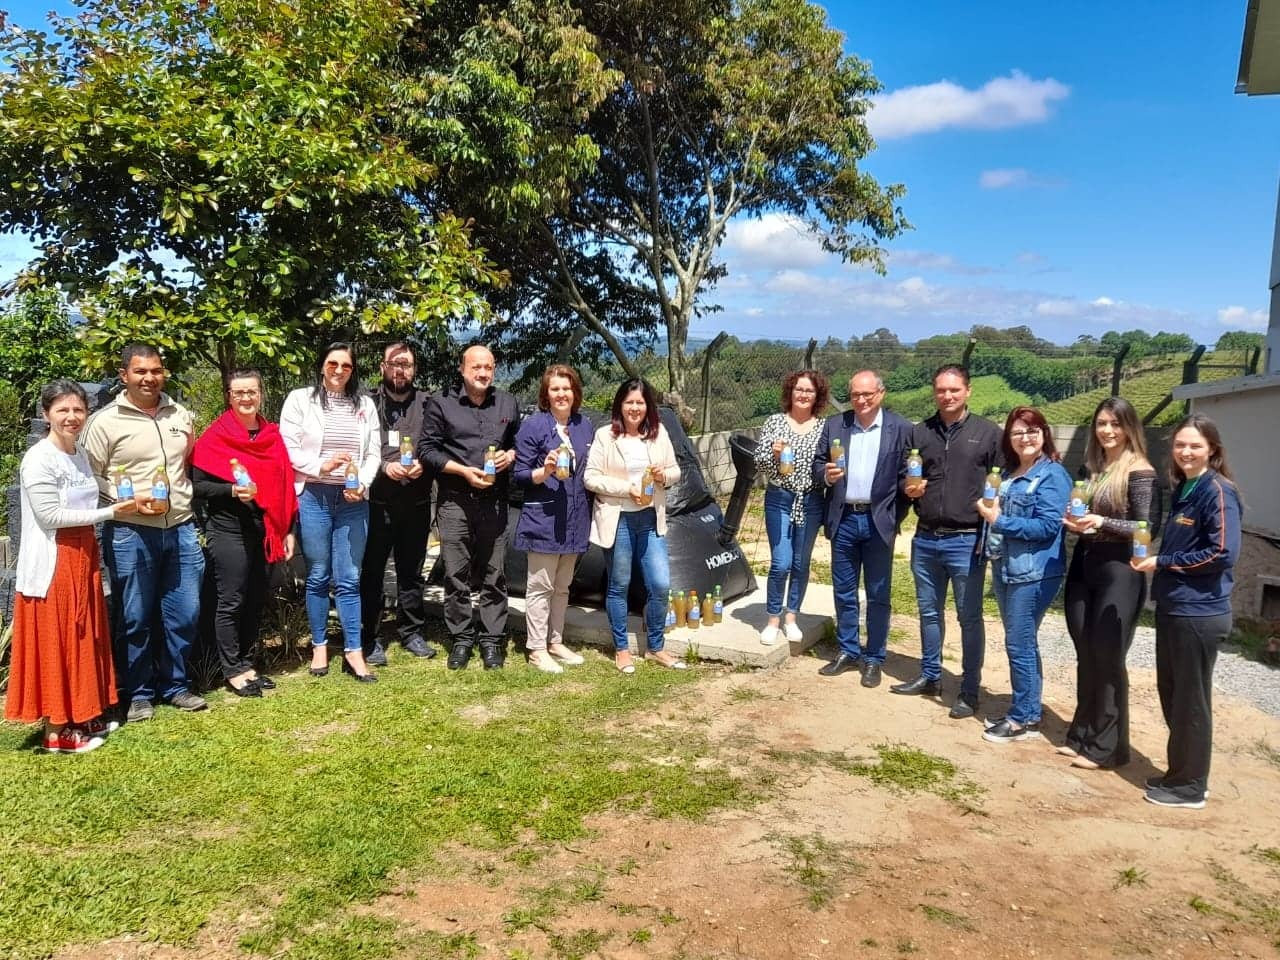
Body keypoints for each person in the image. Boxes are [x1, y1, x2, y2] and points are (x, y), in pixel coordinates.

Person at [5, 381, 138, 752]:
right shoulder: (39, 458)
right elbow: (50, 517)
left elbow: (92, 491)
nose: (71, 417)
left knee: (85, 635)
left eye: (78, 410)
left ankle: (82, 713)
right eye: (62, 410)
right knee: (60, 639)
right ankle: (57, 730)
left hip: (82, 555)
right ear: (47, 414)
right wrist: (111, 512)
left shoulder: (77, 454)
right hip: (55, 558)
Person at [83, 343, 208, 722]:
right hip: (130, 531)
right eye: (140, 371)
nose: (149, 378)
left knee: (185, 612)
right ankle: (139, 692)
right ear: (125, 376)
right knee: (135, 616)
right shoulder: (105, 422)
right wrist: (127, 500)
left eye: (155, 370)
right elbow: (89, 477)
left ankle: (176, 685)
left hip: (181, 527)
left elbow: (188, 462)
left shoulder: (179, 414)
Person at [1131, 414, 1242, 809]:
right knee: (1174, 695)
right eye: (1180, 445)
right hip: (1176, 607)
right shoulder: (1187, 488)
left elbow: (1222, 552)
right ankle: (1180, 773)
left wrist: (1163, 562)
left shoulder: (1217, 491)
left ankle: (1191, 786)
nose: (1186, 452)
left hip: (1200, 612)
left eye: (1195, 445)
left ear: (1212, 449)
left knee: (1191, 700)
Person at [891, 365, 1002, 718]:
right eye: (941, 390)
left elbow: (1003, 484)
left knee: (969, 618)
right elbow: (904, 481)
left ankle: (969, 689)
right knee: (928, 612)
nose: (947, 396)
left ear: (967, 391)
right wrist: (907, 489)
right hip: (925, 539)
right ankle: (930, 675)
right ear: (934, 392)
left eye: (954, 390)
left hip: (966, 541)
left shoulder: (988, 434)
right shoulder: (919, 432)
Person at [1059, 397, 1161, 769]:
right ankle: (1081, 734)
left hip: (1120, 570)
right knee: (1085, 650)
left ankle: (1109, 747)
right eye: (1101, 423)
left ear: (1129, 428)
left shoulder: (1141, 471)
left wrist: (1102, 524)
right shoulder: (1095, 467)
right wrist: (1075, 521)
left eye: (1115, 424)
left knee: (1107, 655)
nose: (1107, 430)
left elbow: (1147, 527)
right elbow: (1084, 512)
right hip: (1085, 564)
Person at [191, 369, 298, 697]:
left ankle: (248, 663)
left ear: (260, 393)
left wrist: (287, 529)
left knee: (255, 598)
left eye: (251, 391)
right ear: (229, 396)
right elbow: (197, 486)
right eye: (239, 393)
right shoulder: (215, 437)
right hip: (229, 529)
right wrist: (231, 492)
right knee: (232, 599)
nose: (246, 398)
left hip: (265, 530)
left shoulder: (271, 435)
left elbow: (283, 486)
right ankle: (232, 669)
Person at [280, 342, 381, 682]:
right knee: (319, 575)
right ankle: (320, 644)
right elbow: (288, 447)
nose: (339, 370)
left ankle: (354, 650)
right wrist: (320, 466)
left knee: (350, 578)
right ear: (322, 365)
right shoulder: (300, 399)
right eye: (333, 364)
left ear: (353, 370)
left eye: (346, 366)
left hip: (353, 501)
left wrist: (362, 483)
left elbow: (374, 454)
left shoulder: (365, 404)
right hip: (314, 497)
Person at [421, 344, 521, 670]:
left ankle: (491, 640)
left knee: (495, 574)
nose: (482, 373)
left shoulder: (507, 402)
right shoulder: (441, 402)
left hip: (494, 501)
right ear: (462, 369)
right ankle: (462, 638)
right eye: (476, 367)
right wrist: (462, 471)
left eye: (488, 368)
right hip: (455, 501)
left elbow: (519, 443)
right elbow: (427, 450)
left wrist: (512, 455)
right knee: (456, 574)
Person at [975, 407, 1071, 743]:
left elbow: (1047, 527)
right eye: (1017, 432)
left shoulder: (1052, 475)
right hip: (1007, 567)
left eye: (1032, 431)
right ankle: (1028, 708)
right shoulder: (1014, 473)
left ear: (1044, 434)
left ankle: (1023, 719)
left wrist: (998, 521)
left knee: (1019, 644)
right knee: (1023, 643)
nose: (1025, 438)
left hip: (1033, 572)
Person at [812, 371, 912, 687]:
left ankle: (874, 658)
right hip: (843, 519)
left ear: (881, 394)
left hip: (878, 521)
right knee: (843, 590)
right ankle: (848, 649)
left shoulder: (902, 429)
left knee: (879, 594)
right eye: (856, 394)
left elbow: (907, 478)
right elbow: (817, 464)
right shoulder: (835, 425)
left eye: (868, 394)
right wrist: (825, 475)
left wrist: (895, 516)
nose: (861, 400)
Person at [584, 378, 683, 674]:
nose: (635, 408)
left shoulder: (658, 433)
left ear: (648, 406)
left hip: (651, 519)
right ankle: (622, 649)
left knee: (660, 584)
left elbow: (676, 470)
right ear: (620, 405)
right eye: (629, 402)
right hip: (620, 519)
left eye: (640, 402)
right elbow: (591, 477)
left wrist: (663, 475)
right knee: (619, 585)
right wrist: (627, 488)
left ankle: (655, 647)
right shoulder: (606, 436)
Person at [512, 364, 594, 673]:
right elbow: (519, 475)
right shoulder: (533, 426)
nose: (561, 394)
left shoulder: (584, 426)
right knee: (540, 586)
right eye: (555, 389)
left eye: (567, 388)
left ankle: (555, 641)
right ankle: (536, 647)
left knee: (562, 586)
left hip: (575, 518)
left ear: (575, 393)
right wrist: (543, 471)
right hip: (544, 518)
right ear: (546, 394)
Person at [359, 342, 436, 665]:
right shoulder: (366, 403)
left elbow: (438, 445)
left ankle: (411, 632)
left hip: (416, 502)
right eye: (394, 363)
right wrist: (382, 467)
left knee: (412, 572)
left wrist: (426, 464)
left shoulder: (429, 404)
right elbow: (355, 446)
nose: (400, 370)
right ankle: (369, 637)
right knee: (373, 572)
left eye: (406, 364)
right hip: (376, 502)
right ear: (382, 367)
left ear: (414, 369)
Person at [752, 369, 828, 646]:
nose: (804, 395)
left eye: (809, 390)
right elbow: (759, 462)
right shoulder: (774, 422)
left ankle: (792, 617)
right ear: (790, 393)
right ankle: (773, 618)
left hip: (811, 500)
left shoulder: (823, 427)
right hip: (779, 498)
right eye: (799, 389)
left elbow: (825, 465)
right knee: (781, 561)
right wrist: (773, 454)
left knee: (800, 562)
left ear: (817, 396)